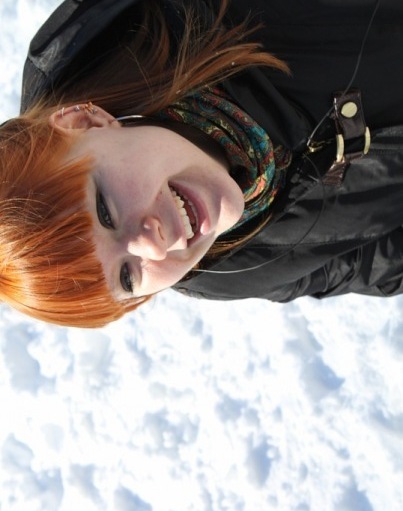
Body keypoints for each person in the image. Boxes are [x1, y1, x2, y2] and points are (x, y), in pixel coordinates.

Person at [1, 0, 403, 328]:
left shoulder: (198, 12)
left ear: (84, 123)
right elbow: (380, 264)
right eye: (127, 276)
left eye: (105, 211)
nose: (153, 246)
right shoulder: (228, 270)